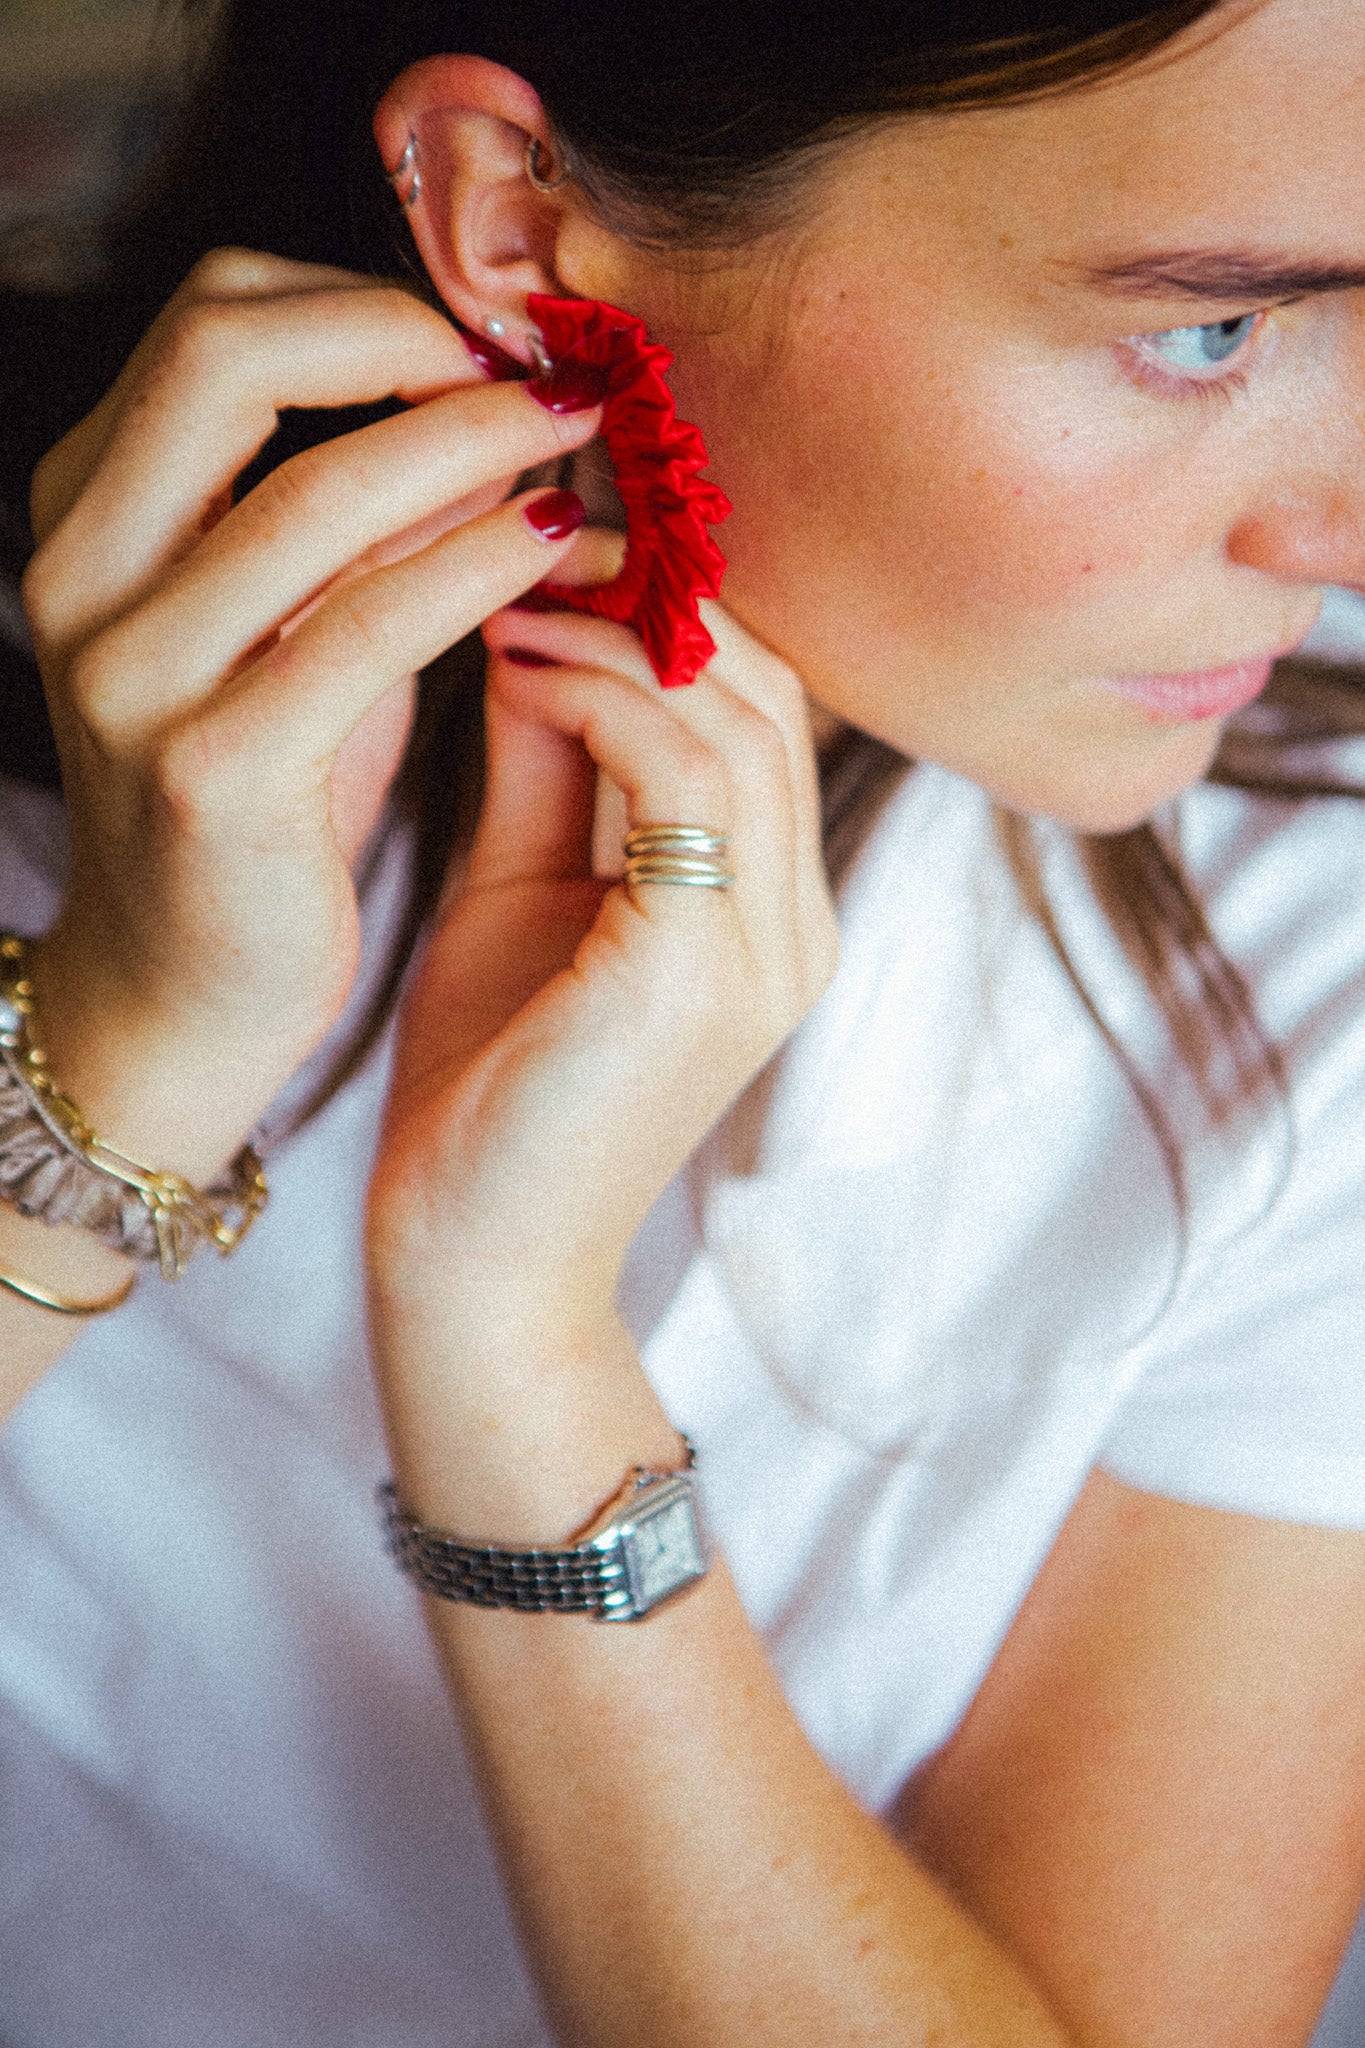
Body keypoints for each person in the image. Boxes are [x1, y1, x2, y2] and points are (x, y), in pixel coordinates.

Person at [1, 0, 1364, 2040]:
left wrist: (509, 1332)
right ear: (517, 224)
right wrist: (129, 1051)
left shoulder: (1317, 962)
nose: (1339, 538)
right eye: (1212, 332)